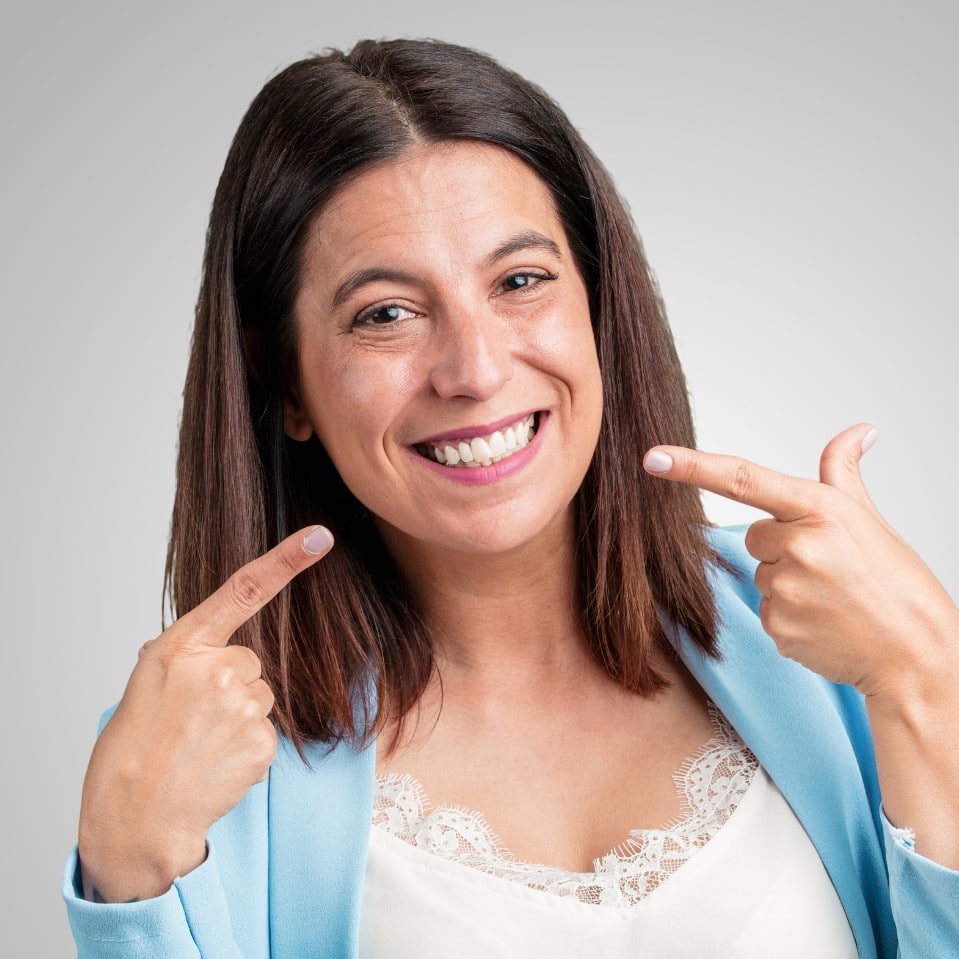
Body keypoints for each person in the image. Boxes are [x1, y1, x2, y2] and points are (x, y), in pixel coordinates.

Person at [63, 38, 958, 958]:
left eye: (520, 282)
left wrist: (929, 680)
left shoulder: (831, 636)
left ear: (599, 305)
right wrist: (128, 882)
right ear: (284, 380)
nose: (476, 369)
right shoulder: (195, 752)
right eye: (385, 313)